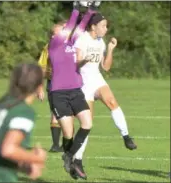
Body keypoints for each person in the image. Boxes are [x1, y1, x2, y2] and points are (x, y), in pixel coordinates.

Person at [73, 13, 137, 163]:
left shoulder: (101, 42)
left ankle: (126, 136)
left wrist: (110, 49)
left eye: (106, 26)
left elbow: (106, 67)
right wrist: (84, 61)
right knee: (87, 123)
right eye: (103, 26)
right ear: (93, 26)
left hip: (96, 78)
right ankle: (77, 159)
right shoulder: (82, 39)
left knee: (112, 102)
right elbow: (76, 64)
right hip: (83, 83)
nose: (106, 29)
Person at [48, 1, 99, 180]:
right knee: (68, 134)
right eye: (61, 28)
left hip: (76, 90)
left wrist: (92, 9)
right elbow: (72, 24)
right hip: (59, 94)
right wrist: (76, 8)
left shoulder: (72, 41)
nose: (65, 29)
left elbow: (82, 25)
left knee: (87, 123)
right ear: (54, 35)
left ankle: (70, 157)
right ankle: (70, 161)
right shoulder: (54, 45)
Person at [0, 63, 47, 182]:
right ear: (40, 86)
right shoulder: (23, 111)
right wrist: (36, 158)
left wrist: (24, 167)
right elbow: (8, 150)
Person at [37, 23, 67, 152]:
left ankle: (65, 144)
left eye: (59, 32)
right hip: (54, 83)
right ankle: (56, 145)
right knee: (56, 112)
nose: (56, 35)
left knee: (67, 113)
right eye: (54, 33)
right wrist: (39, 87)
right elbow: (41, 68)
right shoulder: (48, 48)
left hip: (70, 84)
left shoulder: (71, 46)